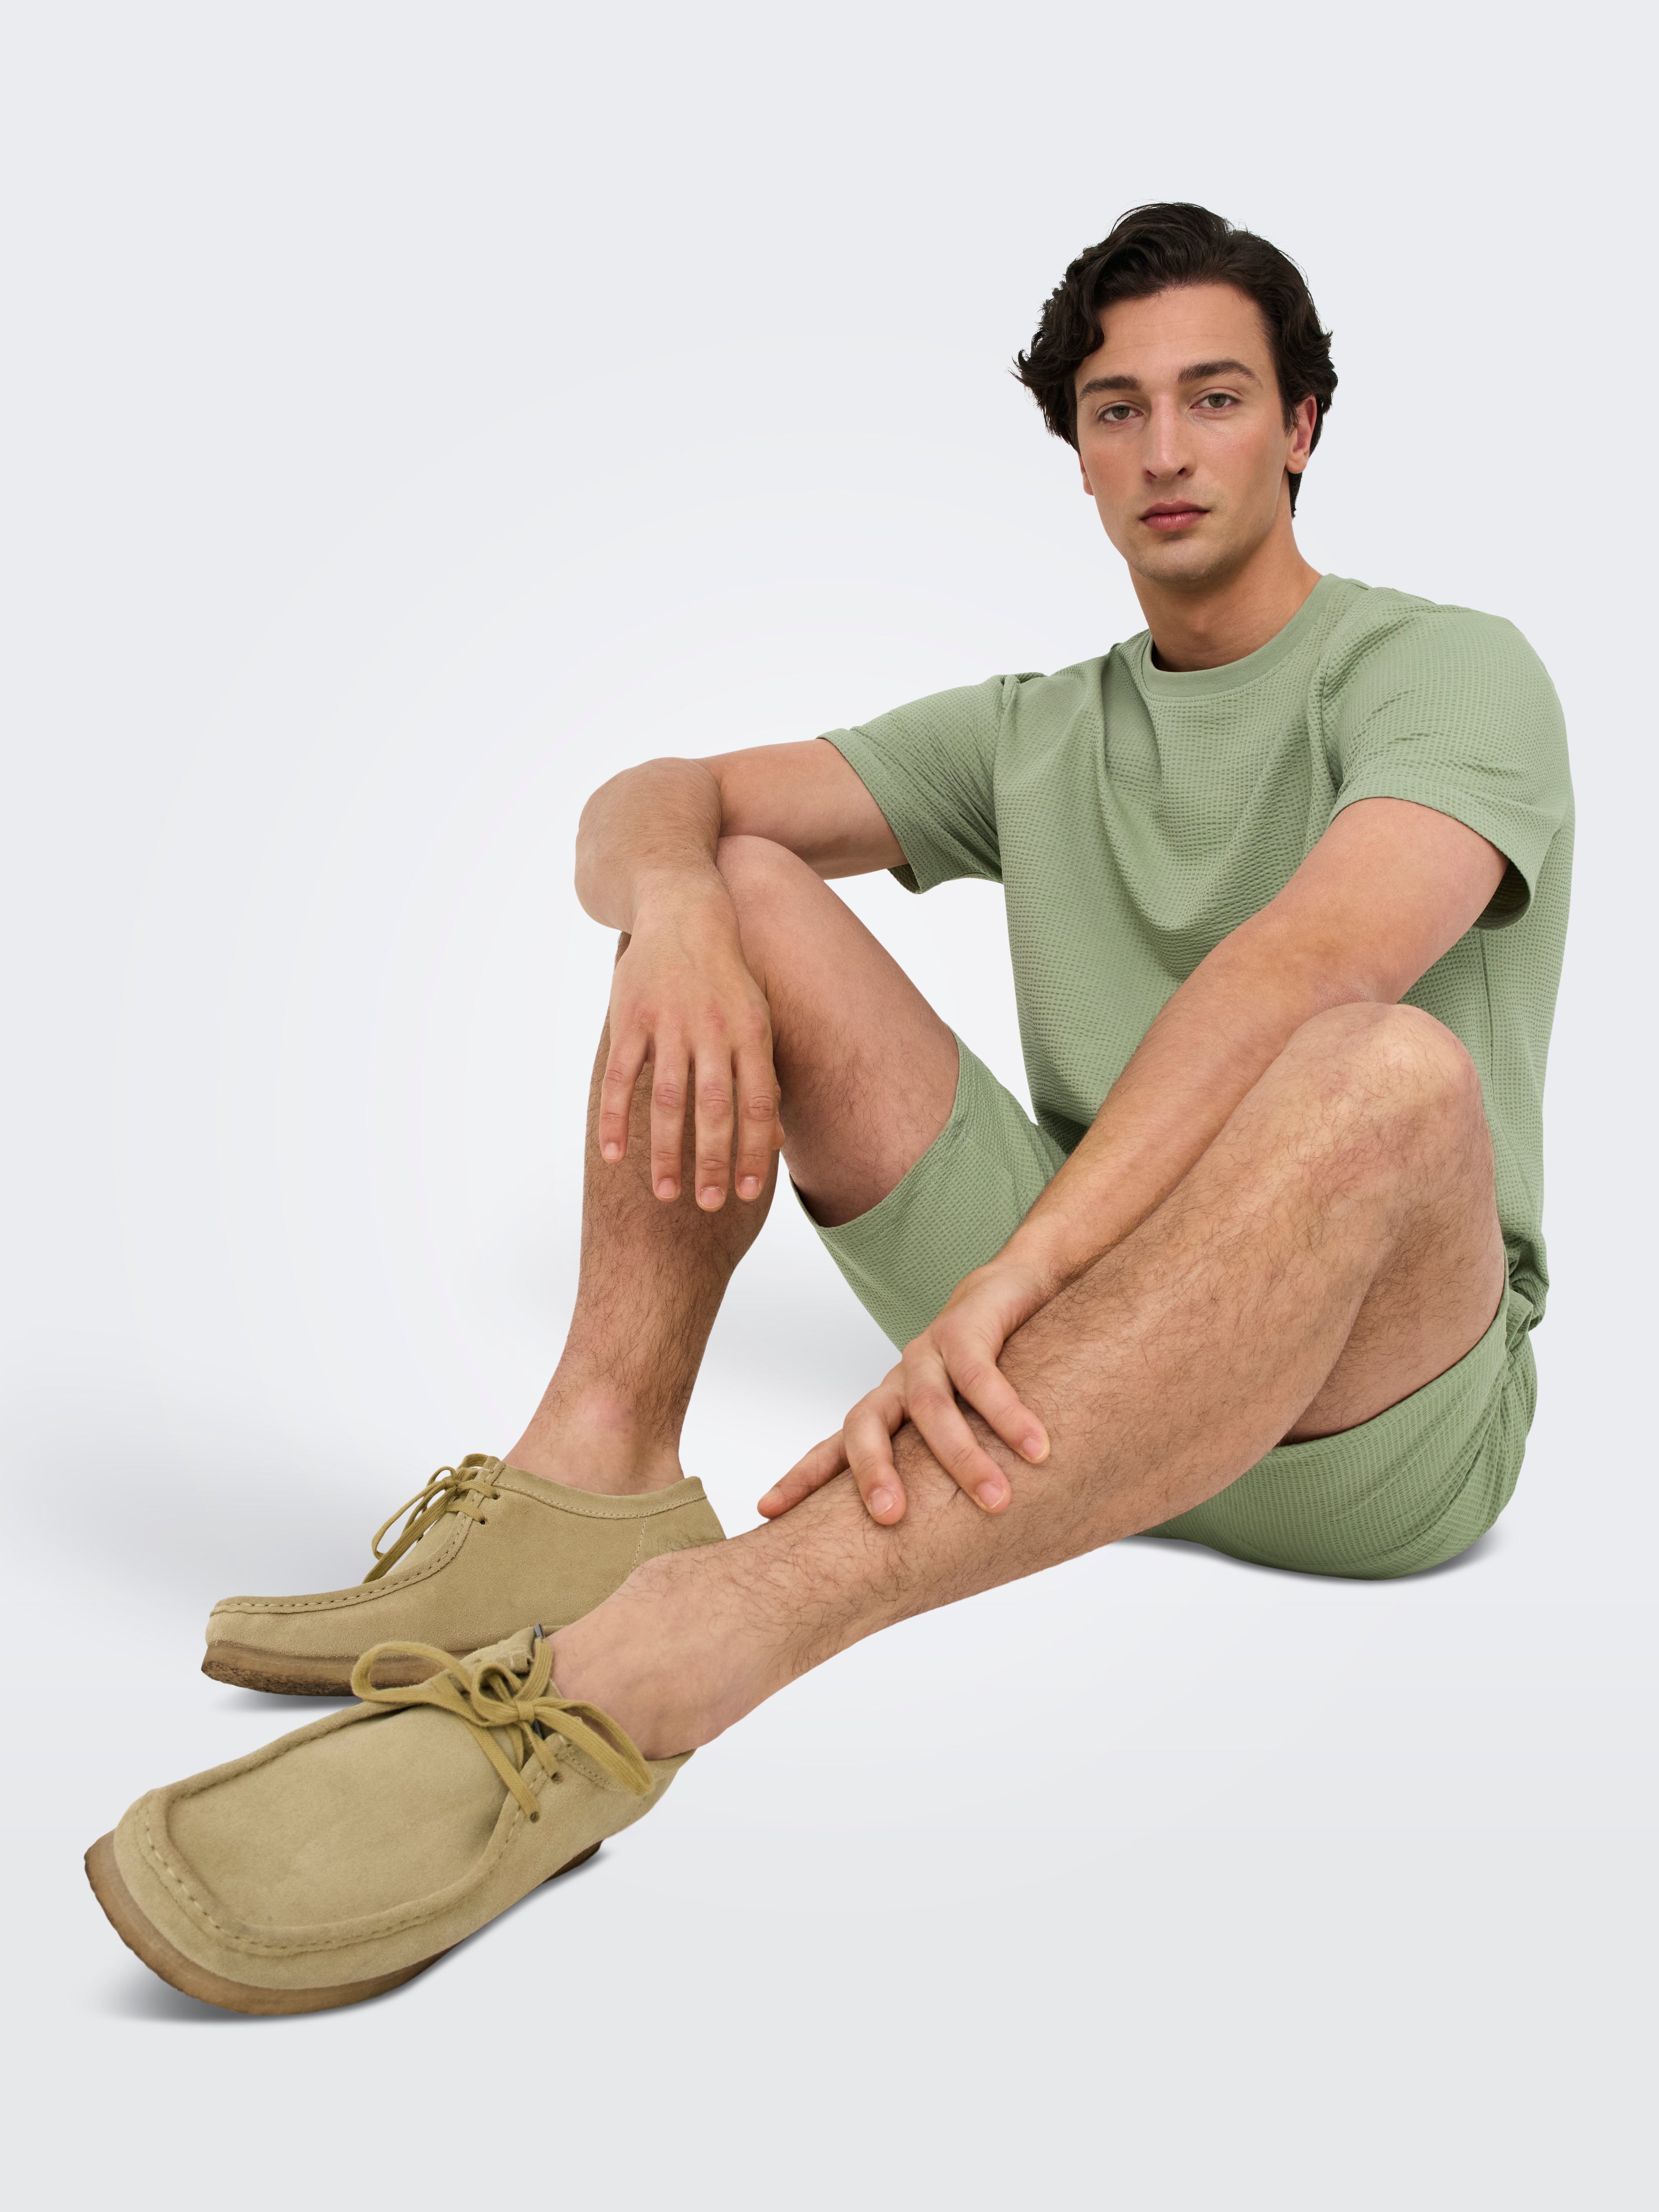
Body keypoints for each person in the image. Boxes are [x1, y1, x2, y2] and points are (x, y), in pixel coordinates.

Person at [87, 203, 1572, 2014]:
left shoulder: (1447, 669)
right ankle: (593, 1480)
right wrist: (679, 910)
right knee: (736, 882)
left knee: (1380, 1068)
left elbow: (1306, 967)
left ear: (1303, 426)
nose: (1166, 450)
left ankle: (690, 1644)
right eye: (1117, 410)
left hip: (1365, 1422)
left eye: (1215, 398)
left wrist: (1021, 1277)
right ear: (1077, 451)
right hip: (1075, 1379)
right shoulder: (1039, 728)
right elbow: (653, 792)